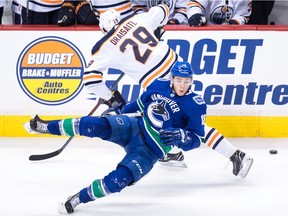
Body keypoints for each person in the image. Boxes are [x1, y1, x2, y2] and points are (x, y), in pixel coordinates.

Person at [83, 4, 254, 177]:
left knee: (170, 120)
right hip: (176, 68)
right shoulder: (136, 19)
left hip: (158, 83)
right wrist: (156, 28)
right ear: (118, 19)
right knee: (164, 116)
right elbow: (162, 9)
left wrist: (111, 98)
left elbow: (89, 79)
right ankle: (172, 153)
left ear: (103, 29)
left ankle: (234, 154)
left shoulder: (103, 47)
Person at [24, 61, 207, 214]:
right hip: (133, 127)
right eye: (179, 80)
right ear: (172, 79)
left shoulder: (196, 105)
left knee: (118, 181)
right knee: (92, 125)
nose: (182, 85)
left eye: (186, 81)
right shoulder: (158, 85)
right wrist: (121, 111)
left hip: (150, 151)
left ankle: (79, 198)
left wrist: (183, 137)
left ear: (191, 81)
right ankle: (44, 126)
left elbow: (197, 138)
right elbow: (140, 104)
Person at [186, 0, 252, 26]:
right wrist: (195, 14)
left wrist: (234, 22)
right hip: (204, 29)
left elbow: (243, 15)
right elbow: (195, 5)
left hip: (231, 33)